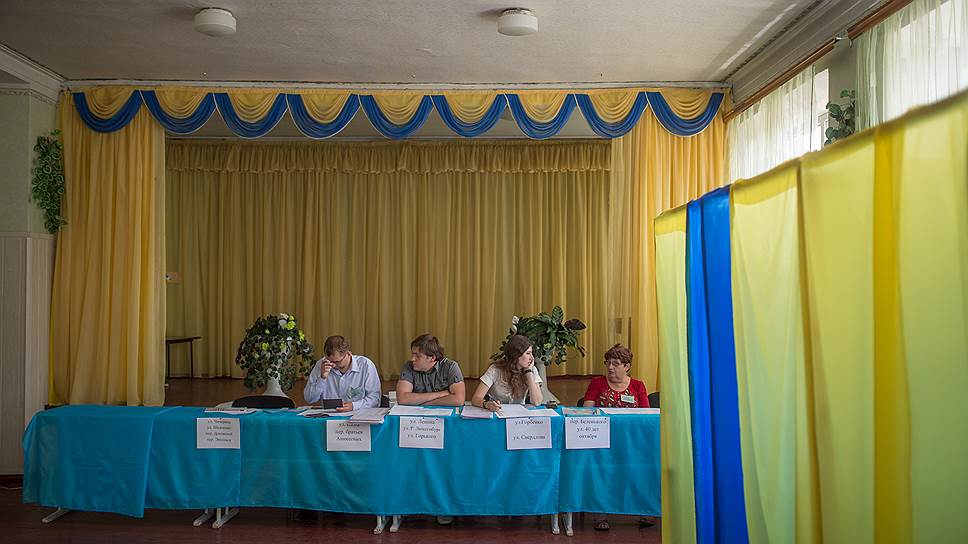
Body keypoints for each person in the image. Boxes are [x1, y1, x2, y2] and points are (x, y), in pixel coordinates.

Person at [581, 343, 652, 531]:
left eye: (615, 363)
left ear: (627, 366)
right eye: (608, 363)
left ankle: (644, 510)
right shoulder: (597, 383)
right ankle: (601, 512)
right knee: (602, 468)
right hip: (602, 441)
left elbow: (645, 416)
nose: (610, 367)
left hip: (631, 442)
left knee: (641, 467)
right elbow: (587, 410)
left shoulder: (638, 386)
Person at [303, 335, 382, 411]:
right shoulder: (322, 365)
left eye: (337, 361)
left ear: (348, 354)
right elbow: (309, 399)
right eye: (330, 361)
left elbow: (375, 399)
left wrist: (354, 406)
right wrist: (322, 378)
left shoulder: (365, 365)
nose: (333, 365)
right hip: (329, 416)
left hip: (358, 415)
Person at [472, 334, 543, 411]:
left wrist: (528, 372)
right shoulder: (495, 369)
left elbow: (537, 402)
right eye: (528, 353)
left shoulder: (531, 369)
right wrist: (486, 404)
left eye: (531, 353)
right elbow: (476, 398)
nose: (532, 358)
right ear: (516, 355)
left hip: (519, 415)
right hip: (497, 412)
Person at [396, 334, 466, 406]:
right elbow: (402, 399)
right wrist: (440, 394)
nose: (412, 359)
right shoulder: (409, 367)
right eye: (412, 354)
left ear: (432, 357)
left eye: (417, 356)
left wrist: (426, 404)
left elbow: (459, 400)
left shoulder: (450, 367)